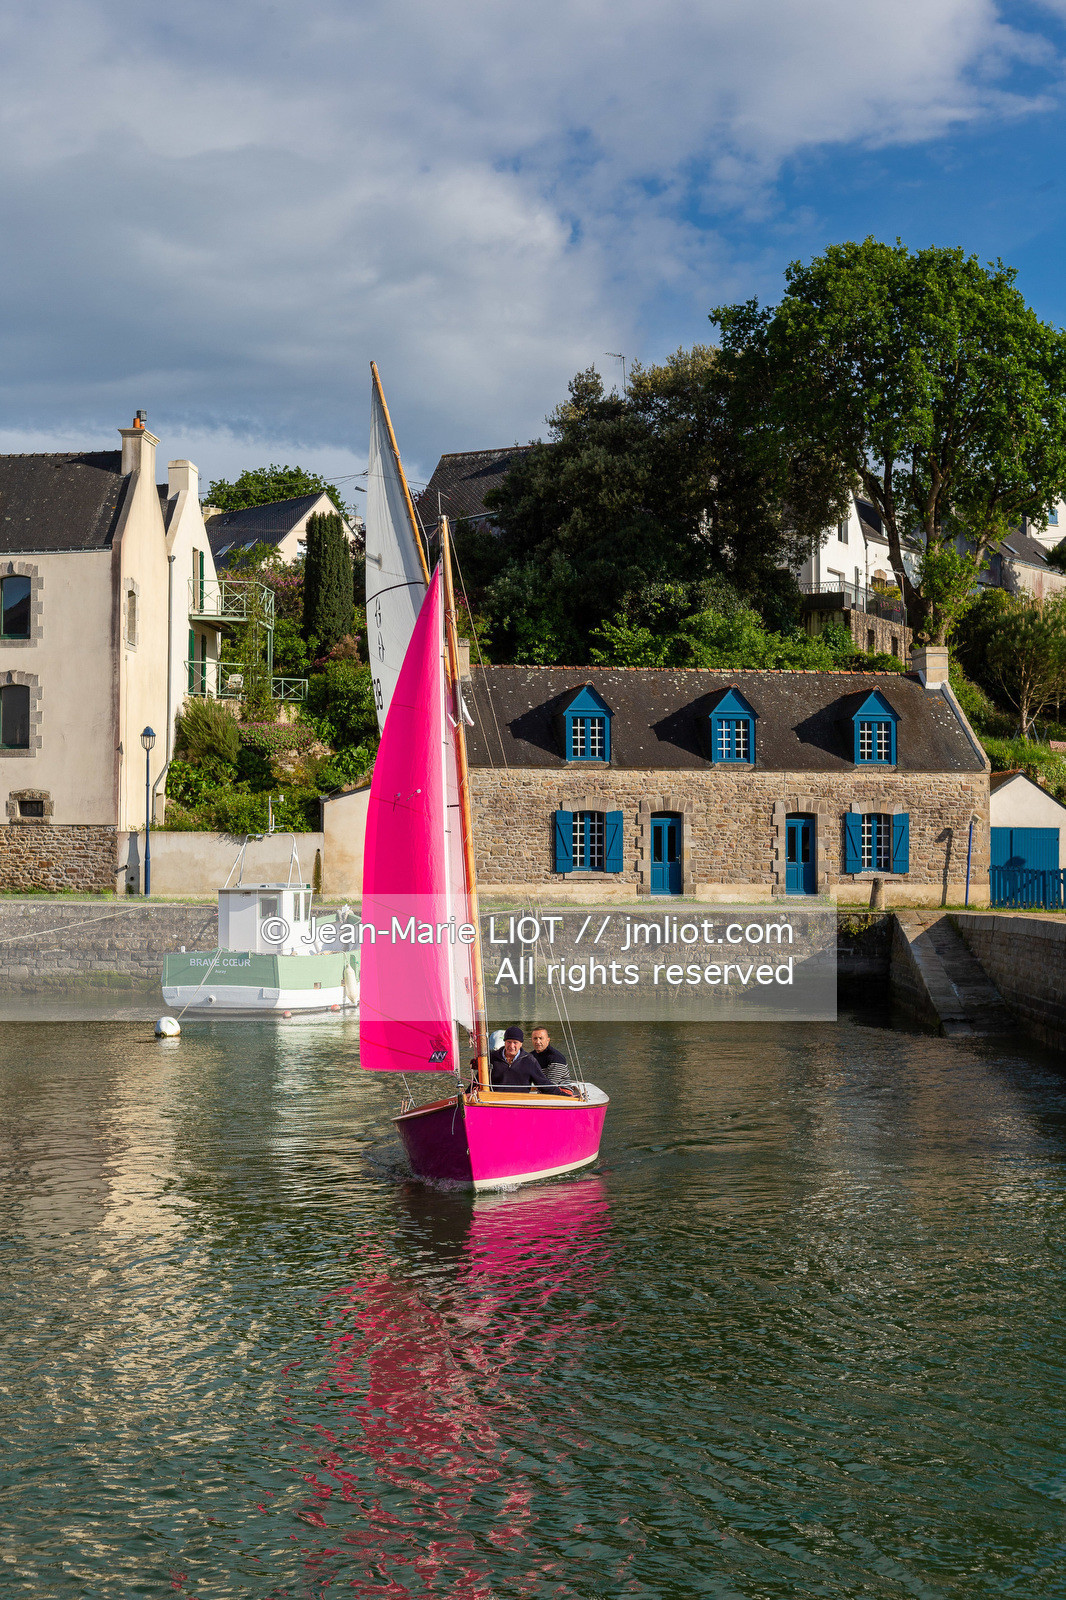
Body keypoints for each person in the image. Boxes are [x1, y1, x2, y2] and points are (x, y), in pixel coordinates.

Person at [488, 1027, 568, 1093]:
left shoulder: (529, 1060)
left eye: (515, 1042)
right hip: (495, 1102)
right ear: (504, 1042)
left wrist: (565, 1096)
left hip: (521, 1103)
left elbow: (545, 1085)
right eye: (509, 1042)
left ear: (521, 1044)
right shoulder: (491, 1058)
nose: (511, 1046)